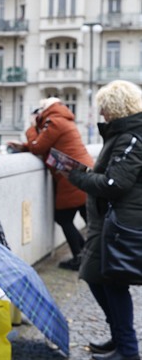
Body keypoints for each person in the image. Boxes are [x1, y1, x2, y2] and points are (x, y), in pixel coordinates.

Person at [64, 80, 142, 360]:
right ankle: (120, 339)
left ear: (117, 108)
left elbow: (114, 183)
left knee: (111, 282)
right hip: (109, 221)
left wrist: (77, 175)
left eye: (105, 109)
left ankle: (128, 349)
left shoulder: (133, 136)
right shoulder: (124, 134)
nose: (103, 115)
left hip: (121, 224)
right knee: (96, 276)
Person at [7, 97, 94, 270]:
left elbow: (38, 147)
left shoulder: (54, 121)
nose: (38, 113)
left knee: (63, 217)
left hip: (71, 176)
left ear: (46, 109)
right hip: (82, 173)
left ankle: (81, 256)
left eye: (40, 109)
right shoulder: (62, 120)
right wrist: (25, 147)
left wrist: (32, 127)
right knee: (88, 219)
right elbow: (47, 144)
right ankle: (89, 255)